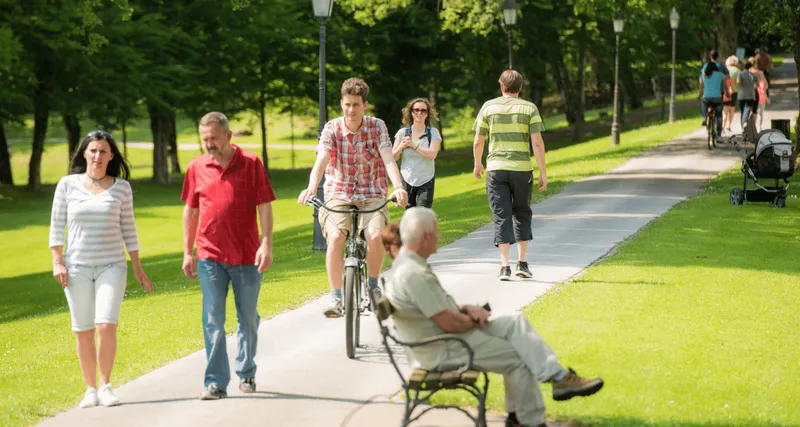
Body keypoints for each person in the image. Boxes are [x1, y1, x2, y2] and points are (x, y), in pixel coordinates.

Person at [386, 207, 604, 427]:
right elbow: (449, 323)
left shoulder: (408, 265)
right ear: (425, 238)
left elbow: (435, 309)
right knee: (519, 357)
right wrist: (472, 320)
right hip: (442, 349)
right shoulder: (413, 273)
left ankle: (557, 380)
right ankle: (528, 421)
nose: (439, 237)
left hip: (442, 339)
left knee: (514, 323)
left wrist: (467, 308)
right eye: (436, 232)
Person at [49, 130, 155, 408]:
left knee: (106, 325)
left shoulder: (122, 188)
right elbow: (56, 225)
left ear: (111, 156)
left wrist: (138, 268)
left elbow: (129, 229)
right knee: (83, 330)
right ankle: (90, 389)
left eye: (103, 151)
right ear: (84, 153)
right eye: (93, 150)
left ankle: (106, 385)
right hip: (76, 267)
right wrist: (57, 262)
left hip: (112, 265)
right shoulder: (67, 184)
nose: (97, 156)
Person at [181, 112, 276, 400]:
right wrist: (188, 251)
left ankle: (246, 371)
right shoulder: (196, 167)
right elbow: (191, 210)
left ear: (229, 135)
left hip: (247, 256)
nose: (209, 144)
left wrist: (266, 243)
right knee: (212, 318)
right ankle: (215, 382)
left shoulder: (251, 163)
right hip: (210, 256)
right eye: (204, 139)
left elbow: (264, 205)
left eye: (214, 138)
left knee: (247, 317)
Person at [297, 77, 409, 318]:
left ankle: (372, 285)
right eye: (347, 104)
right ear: (341, 103)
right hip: (338, 192)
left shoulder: (376, 127)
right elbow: (322, 159)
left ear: (364, 105)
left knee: (375, 235)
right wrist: (310, 187)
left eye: (356, 105)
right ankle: (336, 296)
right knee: (336, 236)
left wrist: (398, 187)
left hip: (372, 192)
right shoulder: (332, 128)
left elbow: (388, 158)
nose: (351, 110)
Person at [472, 70, 546, 281]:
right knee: (522, 212)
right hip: (522, 169)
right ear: (520, 87)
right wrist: (542, 172)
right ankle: (522, 264)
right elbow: (537, 142)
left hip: (496, 169)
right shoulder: (529, 108)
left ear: (501, 85)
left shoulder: (488, 107)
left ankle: (504, 267)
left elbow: (478, 140)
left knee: (501, 214)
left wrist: (478, 164)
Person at [392, 97, 442, 209]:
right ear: (411, 112)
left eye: (423, 110)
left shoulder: (433, 133)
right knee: (410, 215)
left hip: (426, 180)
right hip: (407, 180)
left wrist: (413, 145)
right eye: (416, 110)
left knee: (422, 214)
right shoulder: (402, 133)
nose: (419, 113)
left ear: (427, 114)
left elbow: (432, 154)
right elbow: (393, 157)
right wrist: (401, 146)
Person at [699, 61, 725, 139]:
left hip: (706, 97)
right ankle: (719, 135)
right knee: (719, 116)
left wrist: (700, 95)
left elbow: (702, 87)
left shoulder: (703, 76)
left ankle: (704, 117)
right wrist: (726, 94)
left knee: (704, 102)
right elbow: (723, 86)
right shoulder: (720, 75)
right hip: (717, 98)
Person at [748, 56, 770, 131]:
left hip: (749, 94)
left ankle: (750, 126)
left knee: (750, 110)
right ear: (755, 64)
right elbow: (765, 84)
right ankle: (759, 126)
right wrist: (766, 97)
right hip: (760, 94)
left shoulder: (747, 73)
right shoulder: (760, 73)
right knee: (760, 112)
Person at [737, 61, 759, 130]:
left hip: (742, 95)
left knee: (742, 111)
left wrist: (741, 87)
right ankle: (745, 123)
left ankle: (743, 126)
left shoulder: (740, 74)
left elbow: (738, 82)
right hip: (750, 95)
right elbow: (757, 85)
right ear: (750, 67)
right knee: (747, 109)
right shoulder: (753, 75)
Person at [722, 56, 740, 132]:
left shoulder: (724, 70)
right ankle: (729, 126)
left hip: (725, 92)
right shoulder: (738, 70)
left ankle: (722, 126)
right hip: (734, 91)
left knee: (725, 111)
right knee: (732, 110)